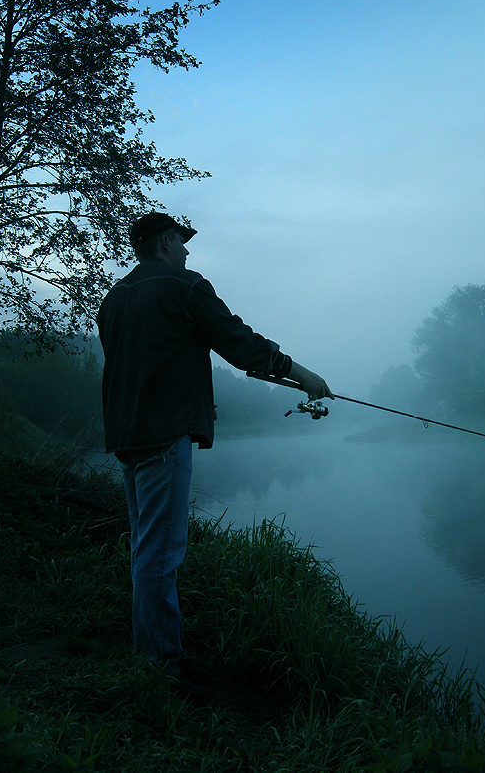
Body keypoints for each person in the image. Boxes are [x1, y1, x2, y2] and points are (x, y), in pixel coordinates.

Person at [96, 211, 333, 703]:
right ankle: (162, 665)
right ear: (164, 242)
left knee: (145, 545)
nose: (186, 252)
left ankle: (155, 653)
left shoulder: (113, 300)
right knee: (160, 551)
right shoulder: (185, 286)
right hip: (166, 434)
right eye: (181, 244)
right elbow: (235, 340)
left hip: (127, 435)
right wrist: (299, 372)